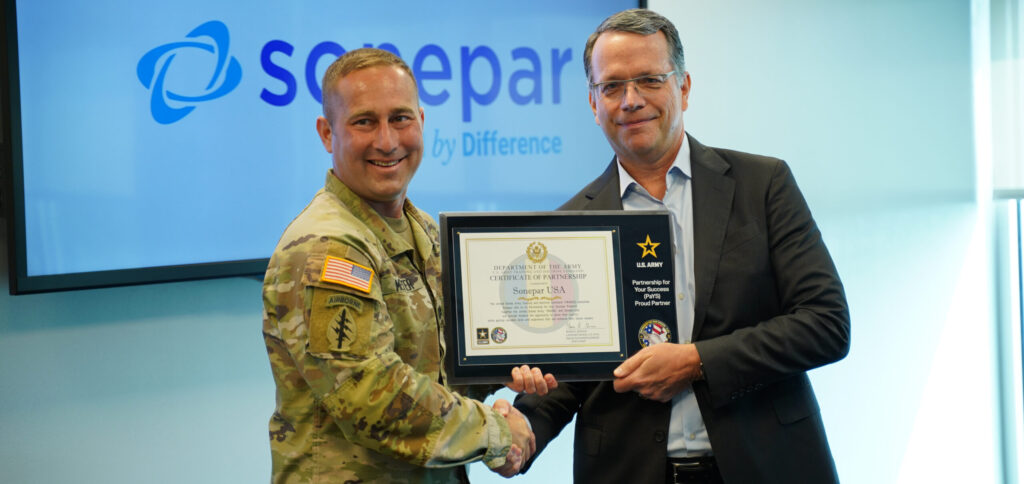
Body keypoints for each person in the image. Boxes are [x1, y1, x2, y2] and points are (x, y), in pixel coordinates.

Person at [514, 9, 850, 484]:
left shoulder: (763, 184)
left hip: (767, 464)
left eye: (650, 80)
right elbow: (573, 371)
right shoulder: (570, 227)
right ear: (593, 103)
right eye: (611, 86)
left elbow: (826, 323)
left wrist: (696, 362)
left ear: (684, 87)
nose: (631, 100)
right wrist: (520, 431)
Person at [262, 48, 554, 483]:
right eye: (364, 122)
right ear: (327, 133)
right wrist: (495, 432)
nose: (387, 141)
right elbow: (370, 395)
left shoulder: (423, 231)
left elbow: (433, 369)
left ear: (421, 121)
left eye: (400, 118)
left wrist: (502, 370)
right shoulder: (328, 247)